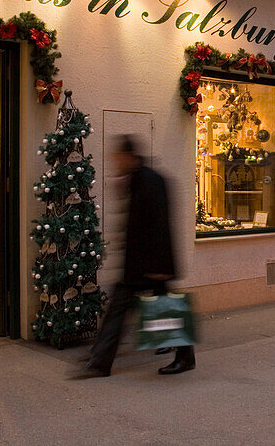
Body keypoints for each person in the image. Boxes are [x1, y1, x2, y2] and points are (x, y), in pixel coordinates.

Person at [82, 136, 195, 377]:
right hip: (139, 263)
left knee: (163, 309)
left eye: (117, 159)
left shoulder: (151, 181)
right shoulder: (137, 179)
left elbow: (159, 226)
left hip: (151, 263)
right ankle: (100, 359)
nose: (115, 163)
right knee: (124, 310)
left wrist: (159, 265)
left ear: (128, 156)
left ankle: (184, 357)